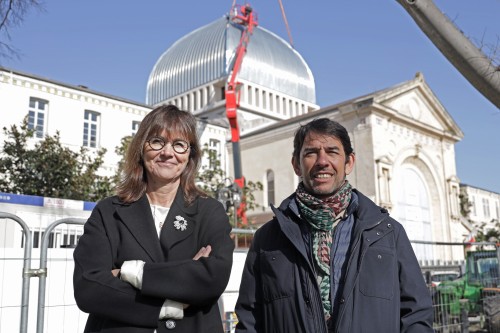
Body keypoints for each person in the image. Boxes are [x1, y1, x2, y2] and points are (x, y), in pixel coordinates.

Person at [235, 118, 433, 332]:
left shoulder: (387, 232)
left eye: (332, 151)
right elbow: (250, 319)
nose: (322, 161)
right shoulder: (268, 238)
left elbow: (416, 314)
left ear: (349, 163)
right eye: (311, 152)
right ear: (296, 165)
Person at [73, 105, 234, 333]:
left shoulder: (209, 212)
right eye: (157, 141)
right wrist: (169, 304)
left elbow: (211, 278)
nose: (168, 152)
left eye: (179, 144)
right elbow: (88, 287)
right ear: (141, 148)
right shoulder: (109, 211)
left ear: (190, 155)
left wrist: (130, 272)